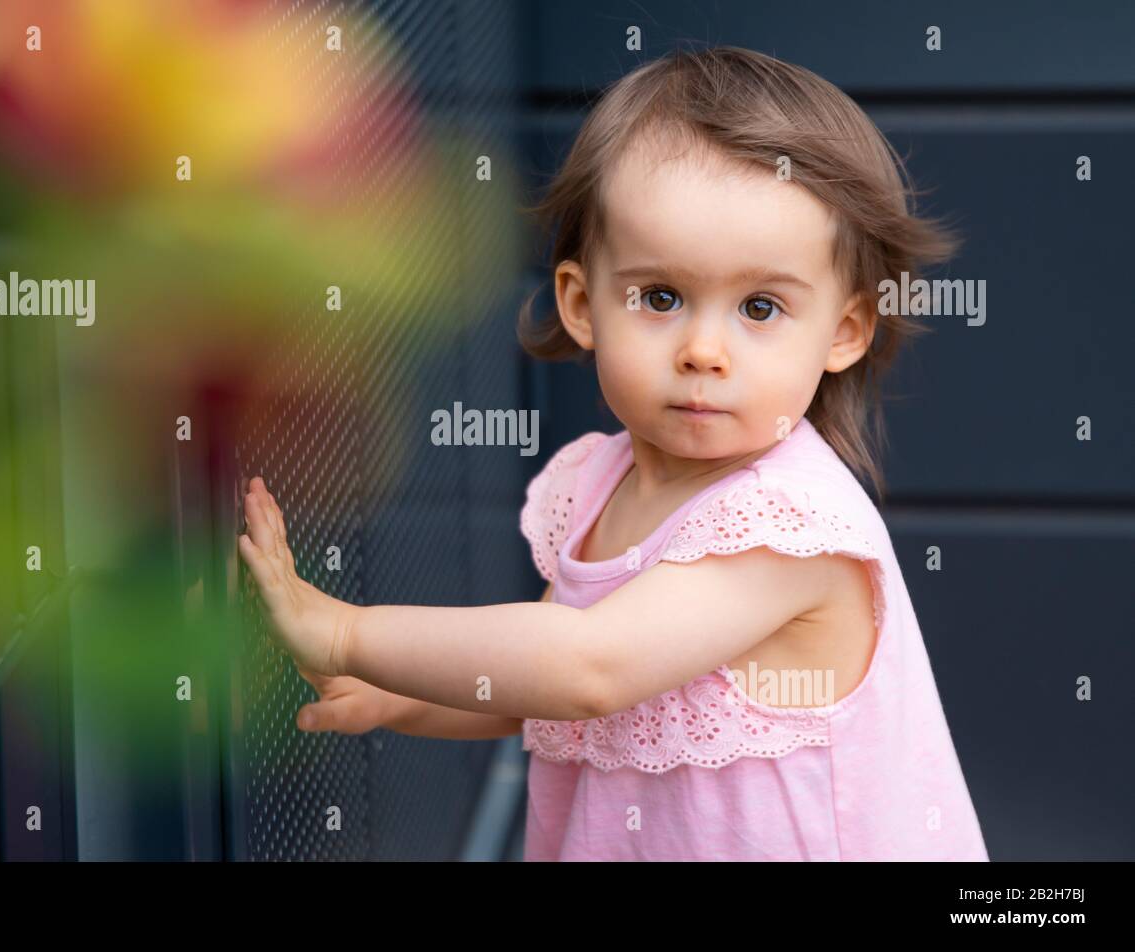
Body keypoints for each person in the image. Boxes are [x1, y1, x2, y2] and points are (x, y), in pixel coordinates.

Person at [238, 45, 989, 861]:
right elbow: (556, 697)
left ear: (842, 332)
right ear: (582, 304)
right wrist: (399, 696)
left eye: (761, 306)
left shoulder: (789, 525)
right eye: (661, 297)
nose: (704, 348)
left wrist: (346, 634)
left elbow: (589, 667)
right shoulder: (599, 484)